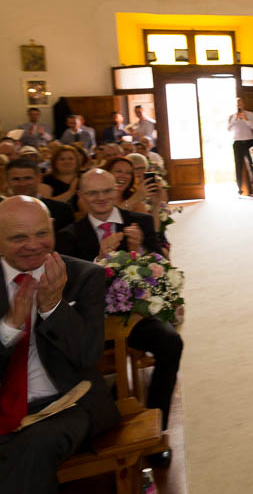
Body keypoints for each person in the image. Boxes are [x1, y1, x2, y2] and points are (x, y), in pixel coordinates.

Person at [0, 196, 121, 494]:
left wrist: (53, 308)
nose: (33, 244)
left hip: (67, 401)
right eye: (19, 237)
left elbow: (88, 356)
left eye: (42, 233)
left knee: (33, 447)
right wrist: (9, 327)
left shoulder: (83, 276)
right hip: (5, 404)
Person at [54, 170, 182, 450]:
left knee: (171, 342)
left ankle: (157, 430)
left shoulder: (140, 221)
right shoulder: (69, 236)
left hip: (135, 316)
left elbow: (164, 269)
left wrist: (142, 250)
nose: (101, 198)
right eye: (92, 193)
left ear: (117, 191)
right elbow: (67, 289)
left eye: (106, 191)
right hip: (90, 321)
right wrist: (98, 260)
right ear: (82, 197)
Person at [3, 159, 75, 232]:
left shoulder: (62, 210)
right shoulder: (2, 210)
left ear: (39, 178)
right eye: (16, 179)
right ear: (7, 181)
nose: (22, 184)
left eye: (28, 178)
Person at [227, 98, 253, 196]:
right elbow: (228, 129)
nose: (239, 105)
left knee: (252, 166)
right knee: (238, 166)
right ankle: (239, 189)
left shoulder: (250, 114)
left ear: (243, 104)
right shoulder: (231, 116)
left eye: (240, 103)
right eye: (237, 104)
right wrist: (235, 118)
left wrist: (246, 119)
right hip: (237, 143)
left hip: (250, 142)